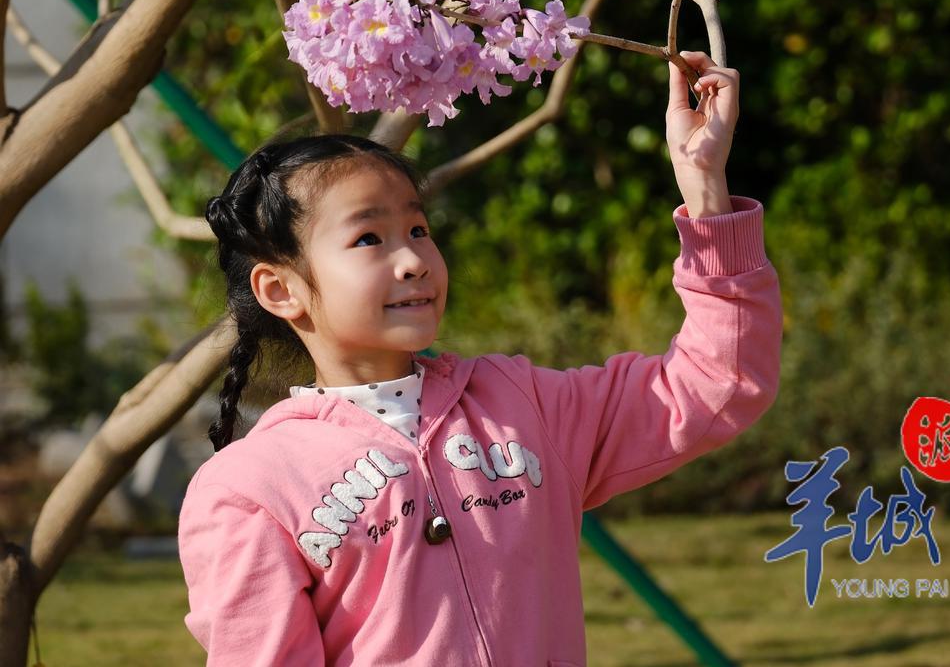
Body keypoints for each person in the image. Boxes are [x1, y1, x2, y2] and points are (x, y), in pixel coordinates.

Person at [178, 50, 783, 666]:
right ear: (281, 291)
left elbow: (720, 383)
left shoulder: (526, 407)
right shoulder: (251, 490)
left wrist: (705, 188)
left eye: (418, 230)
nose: (413, 259)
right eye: (368, 239)